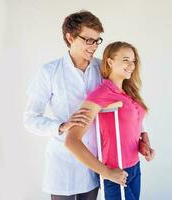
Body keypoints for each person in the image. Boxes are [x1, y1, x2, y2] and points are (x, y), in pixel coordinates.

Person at [24, 11, 154, 200]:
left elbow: (127, 103)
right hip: (63, 162)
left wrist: (141, 136)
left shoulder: (104, 69)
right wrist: (60, 126)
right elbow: (30, 118)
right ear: (70, 38)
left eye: (97, 40)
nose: (93, 46)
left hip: (94, 162)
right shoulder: (49, 72)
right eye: (88, 40)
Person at [65, 41, 154, 200]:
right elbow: (71, 141)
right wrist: (106, 172)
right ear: (110, 62)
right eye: (125, 60)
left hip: (134, 168)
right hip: (116, 171)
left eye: (133, 61)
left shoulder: (128, 92)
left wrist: (143, 144)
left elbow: (131, 128)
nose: (131, 65)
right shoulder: (101, 93)